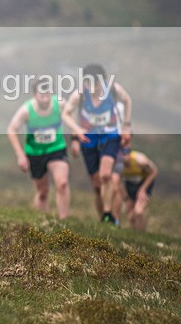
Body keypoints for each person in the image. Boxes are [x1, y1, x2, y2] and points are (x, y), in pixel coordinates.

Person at [62, 63, 132, 225]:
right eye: (89, 84)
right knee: (96, 183)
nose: (93, 88)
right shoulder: (80, 94)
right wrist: (76, 130)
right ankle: (103, 218)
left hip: (110, 135)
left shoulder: (114, 89)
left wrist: (126, 126)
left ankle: (109, 214)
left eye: (97, 83)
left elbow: (127, 100)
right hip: (89, 138)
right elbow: (66, 113)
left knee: (106, 175)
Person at [7, 83, 71, 219]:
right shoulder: (26, 110)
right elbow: (11, 130)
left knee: (62, 183)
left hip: (56, 149)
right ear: (35, 95)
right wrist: (21, 156)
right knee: (42, 192)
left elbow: (71, 117)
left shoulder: (60, 104)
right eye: (42, 96)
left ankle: (64, 222)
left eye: (47, 95)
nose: (45, 99)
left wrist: (76, 140)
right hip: (35, 153)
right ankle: (43, 221)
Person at [114, 147, 158, 231]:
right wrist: (126, 199)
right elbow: (118, 182)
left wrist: (143, 189)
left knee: (138, 211)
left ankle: (142, 233)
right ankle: (136, 234)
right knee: (131, 216)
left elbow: (154, 171)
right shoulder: (118, 165)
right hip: (130, 185)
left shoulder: (140, 160)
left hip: (144, 184)